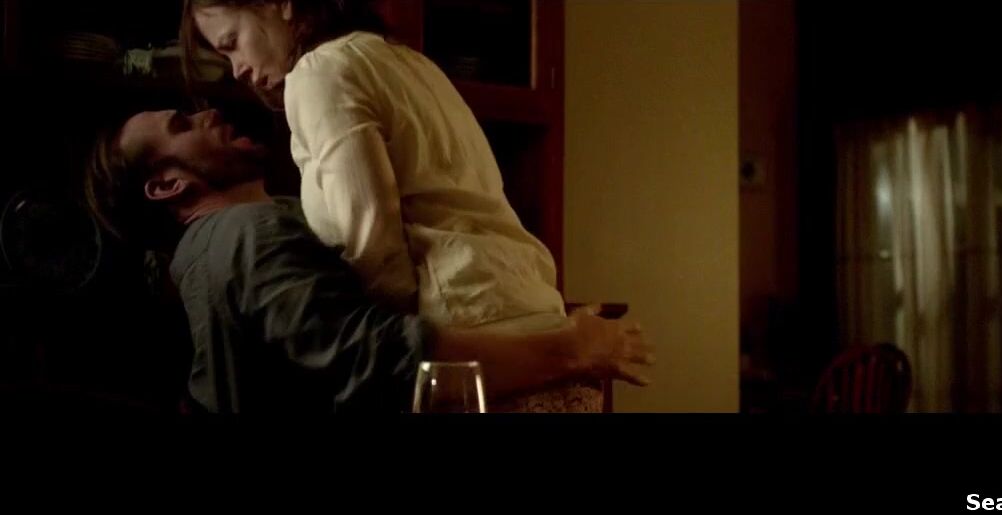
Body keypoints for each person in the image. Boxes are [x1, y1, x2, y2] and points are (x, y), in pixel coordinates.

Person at [83, 107, 653, 413]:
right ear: (167, 185)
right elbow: (378, 363)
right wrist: (574, 349)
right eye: (181, 126)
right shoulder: (246, 235)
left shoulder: (224, 244)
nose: (207, 113)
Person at [181, 0, 598, 411]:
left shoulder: (319, 72)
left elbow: (369, 234)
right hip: (537, 319)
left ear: (281, 5)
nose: (237, 69)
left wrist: (390, 360)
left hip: (471, 347)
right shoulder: (409, 61)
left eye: (232, 42)